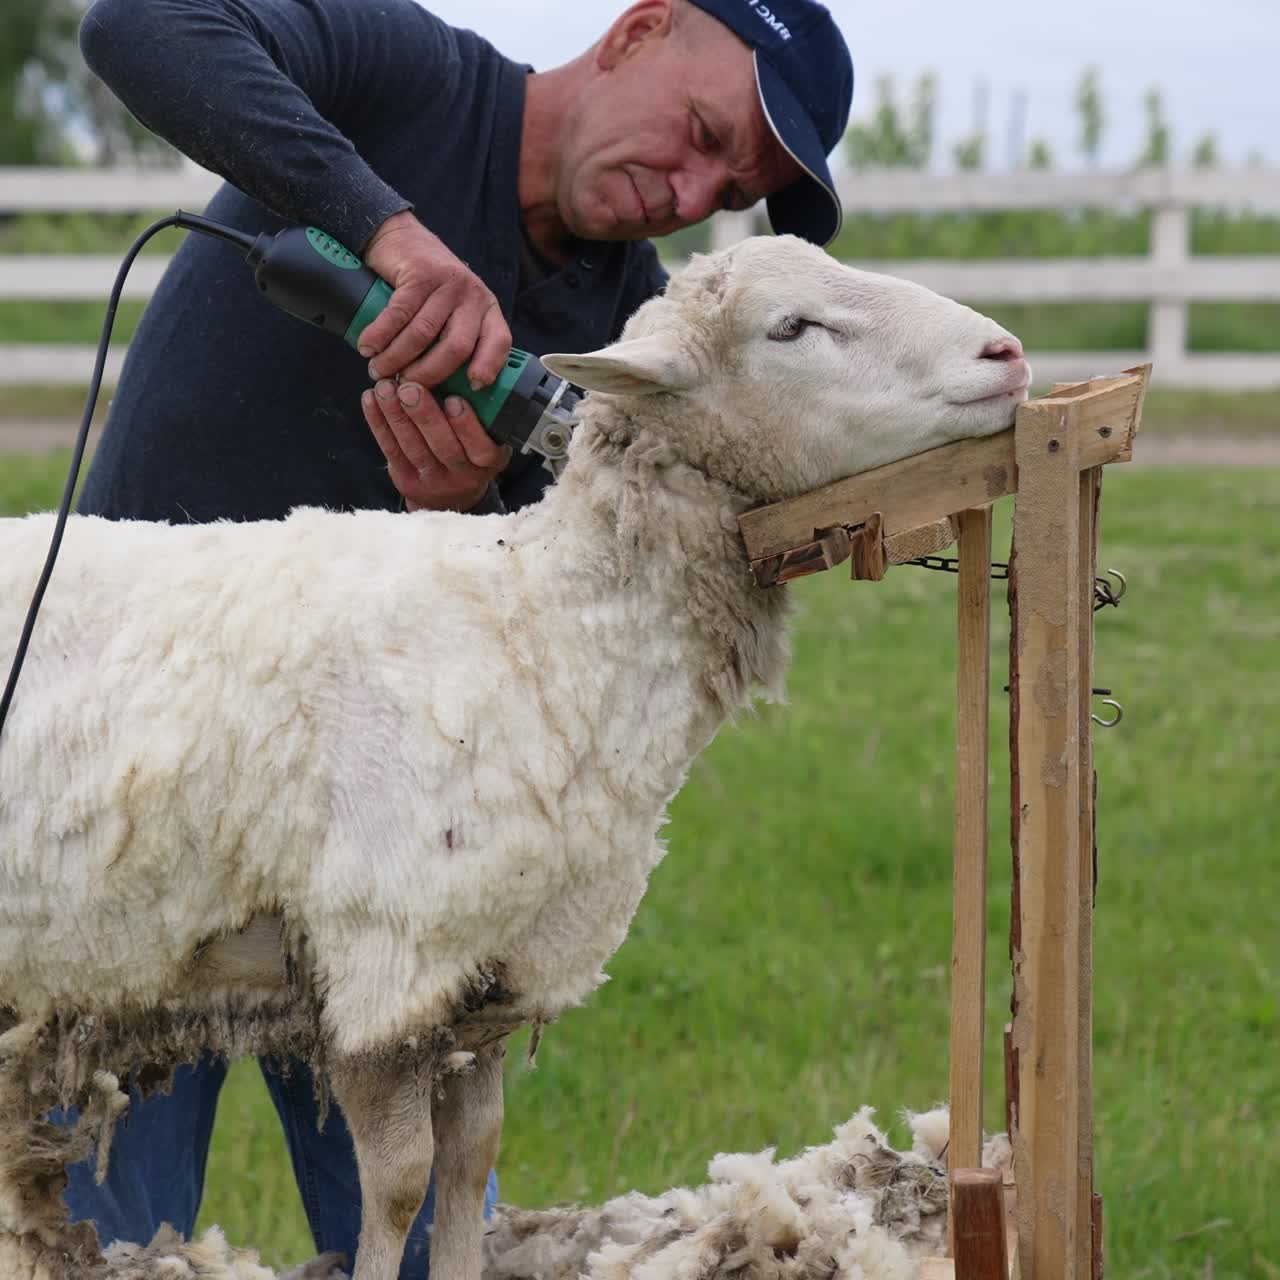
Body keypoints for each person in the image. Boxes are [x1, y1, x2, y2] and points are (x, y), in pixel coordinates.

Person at [64, 0, 854, 1272]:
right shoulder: (409, 79)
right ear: (641, 30)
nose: (690, 186)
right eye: (704, 131)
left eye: (727, 186)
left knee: (428, 1247)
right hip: (150, 801)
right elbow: (137, 27)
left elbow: (564, 617)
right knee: (93, 1233)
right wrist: (385, 224)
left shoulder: (629, 335)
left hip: (393, 864)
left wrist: (469, 507)